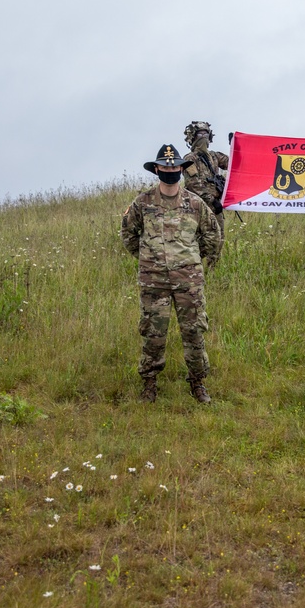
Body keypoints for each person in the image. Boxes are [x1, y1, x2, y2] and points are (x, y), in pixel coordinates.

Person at [121, 144, 222, 403]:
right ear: (157, 169)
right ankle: (149, 383)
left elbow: (213, 235)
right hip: (153, 281)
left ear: (181, 169)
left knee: (194, 331)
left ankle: (198, 383)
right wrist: (147, 257)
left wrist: (192, 258)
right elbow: (128, 234)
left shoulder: (195, 203)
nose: (170, 171)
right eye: (165, 167)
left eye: (174, 167)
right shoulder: (142, 203)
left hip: (189, 282)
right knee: (153, 333)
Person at [182, 121, 229, 237]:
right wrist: (211, 201)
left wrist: (234, 146)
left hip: (215, 207)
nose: (203, 138)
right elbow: (193, 185)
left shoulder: (214, 156)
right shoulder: (189, 159)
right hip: (197, 207)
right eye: (200, 135)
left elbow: (233, 163)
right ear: (193, 137)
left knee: (218, 239)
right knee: (200, 239)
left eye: (205, 135)